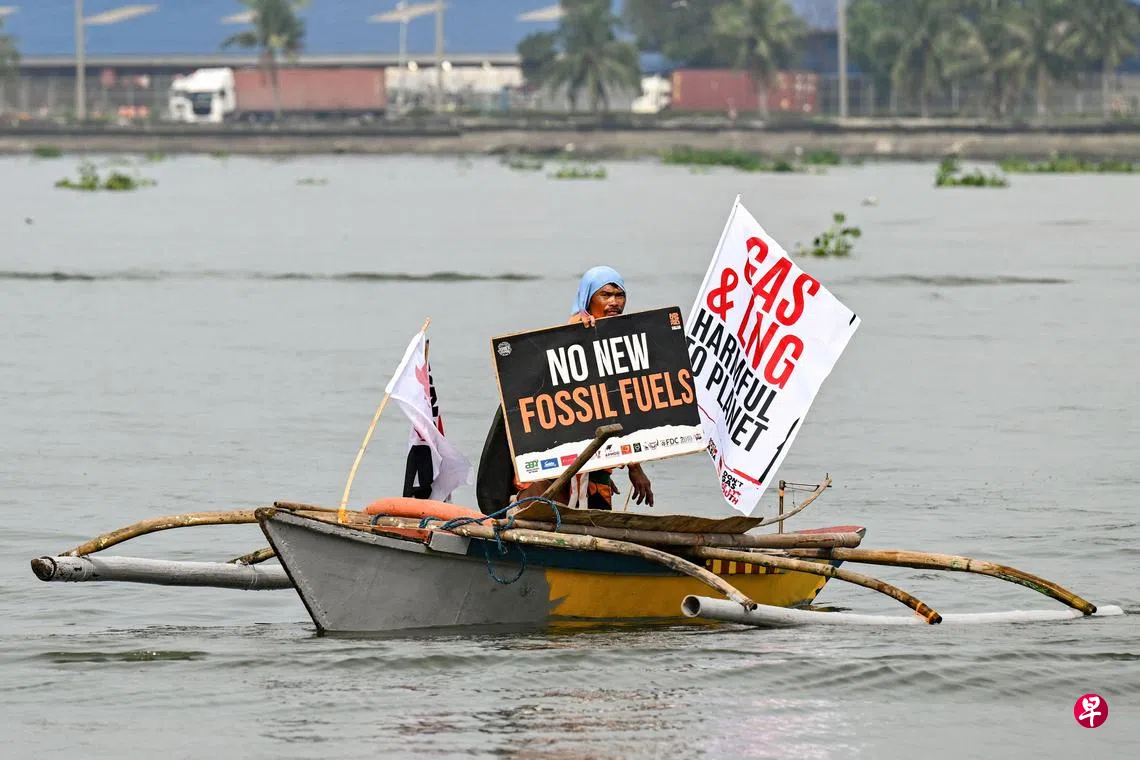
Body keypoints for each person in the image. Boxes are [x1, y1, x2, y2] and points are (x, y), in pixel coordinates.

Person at [475, 266, 654, 512]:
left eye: (619, 295)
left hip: (594, 476)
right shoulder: (567, 344)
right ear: (588, 299)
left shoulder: (621, 350)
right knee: (538, 520)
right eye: (606, 295)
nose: (614, 302)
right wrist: (577, 332)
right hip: (552, 474)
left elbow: (619, 409)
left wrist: (635, 467)